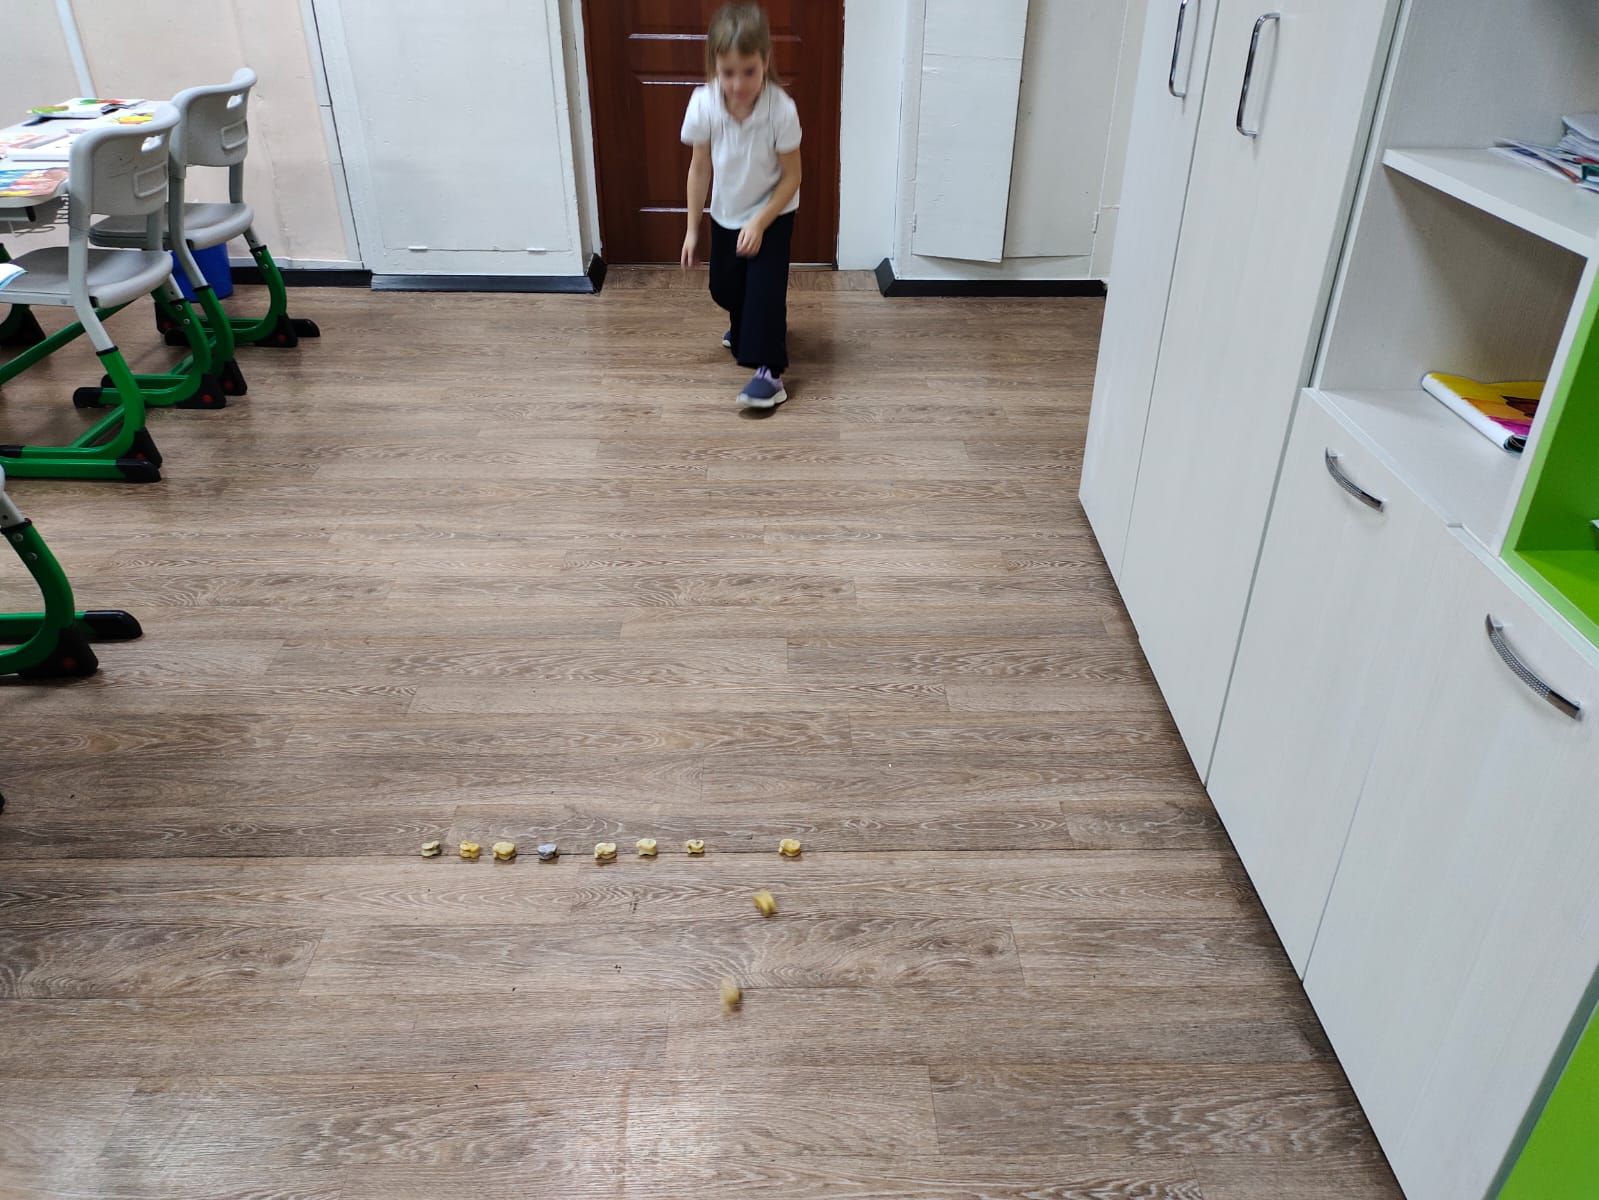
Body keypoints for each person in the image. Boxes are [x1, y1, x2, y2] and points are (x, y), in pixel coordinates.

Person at [679, 3, 802, 410]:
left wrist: (761, 221)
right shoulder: (704, 105)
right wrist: (692, 230)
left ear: (765, 61)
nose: (738, 84)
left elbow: (792, 177)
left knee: (765, 291)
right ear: (714, 66)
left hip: (774, 212)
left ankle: (770, 374)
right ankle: (746, 326)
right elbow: (699, 168)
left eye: (749, 71)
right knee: (725, 287)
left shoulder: (780, 110)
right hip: (727, 212)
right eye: (728, 72)